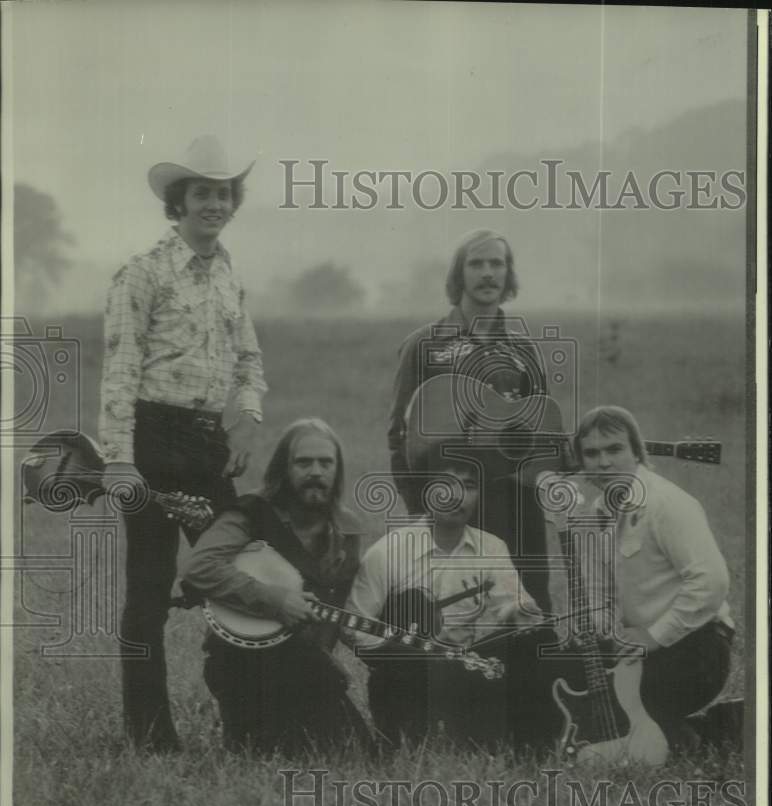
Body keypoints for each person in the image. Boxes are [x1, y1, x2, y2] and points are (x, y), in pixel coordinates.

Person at [98, 135, 268, 753]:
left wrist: (246, 420)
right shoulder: (141, 273)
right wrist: (118, 459)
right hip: (149, 438)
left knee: (237, 572)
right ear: (179, 201)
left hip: (206, 443)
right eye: (202, 193)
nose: (214, 204)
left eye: (223, 193)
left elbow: (249, 359)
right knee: (148, 591)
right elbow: (119, 369)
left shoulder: (228, 274)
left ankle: (249, 722)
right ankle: (151, 737)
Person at [386, 229, 557, 612]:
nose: (487, 273)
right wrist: (420, 510)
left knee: (528, 609)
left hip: (518, 506)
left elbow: (539, 434)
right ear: (458, 274)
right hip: (453, 505)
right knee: (462, 612)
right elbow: (399, 435)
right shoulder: (424, 344)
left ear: (508, 274)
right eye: (476, 263)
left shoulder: (524, 349)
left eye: (497, 263)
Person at [181, 419, 370, 754]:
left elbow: (341, 609)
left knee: (359, 752)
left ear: (337, 471)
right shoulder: (252, 513)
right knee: (265, 751)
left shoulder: (347, 528)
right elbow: (199, 567)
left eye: (326, 463)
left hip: (309, 668)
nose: (316, 472)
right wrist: (275, 599)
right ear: (284, 467)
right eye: (303, 462)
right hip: (241, 660)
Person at [344, 454, 544, 748]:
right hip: (405, 671)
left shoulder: (491, 547)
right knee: (401, 666)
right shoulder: (388, 551)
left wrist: (520, 613)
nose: (457, 496)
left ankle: (530, 738)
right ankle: (403, 733)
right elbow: (353, 625)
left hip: (462, 665)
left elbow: (514, 604)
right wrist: (398, 647)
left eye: (469, 485)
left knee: (531, 642)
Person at [573, 405, 735, 751]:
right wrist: (607, 641)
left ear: (637, 452)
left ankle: (715, 732)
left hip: (697, 647)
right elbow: (599, 593)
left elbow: (712, 582)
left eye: (615, 449)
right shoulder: (596, 514)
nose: (604, 463)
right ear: (582, 463)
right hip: (639, 651)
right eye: (592, 453)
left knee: (617, 717)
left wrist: (653, 636)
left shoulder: (666, 504)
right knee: (573, 692)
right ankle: (670, 728)